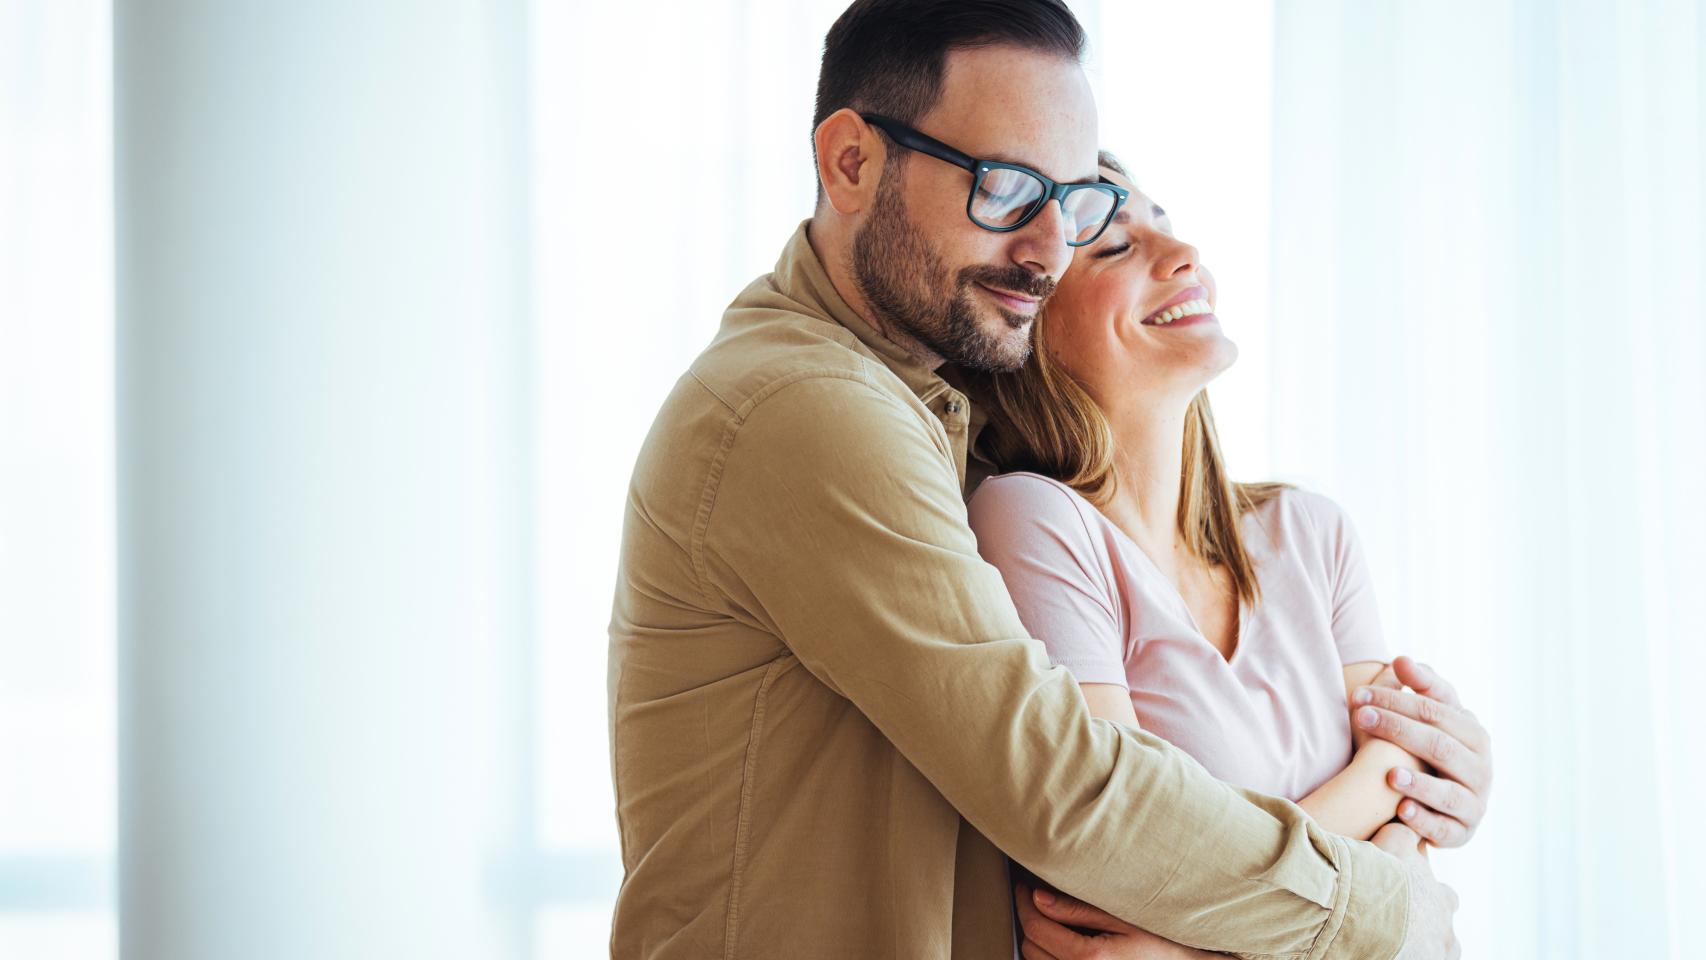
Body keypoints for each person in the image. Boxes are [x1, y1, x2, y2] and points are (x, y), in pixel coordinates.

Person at [606, 1, 1486, 957]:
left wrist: (1436, 767)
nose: (1049, 251)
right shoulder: (810, 408)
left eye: (1071, 203)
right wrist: (1385, 908)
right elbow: (1070, 793)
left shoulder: (934, 407)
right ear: (850, 161)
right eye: (1006, 187)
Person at [962, 155, 1494, 959]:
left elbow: (1410, 846)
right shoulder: (1034, 519)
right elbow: (1119, 852)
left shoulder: (1311, 533)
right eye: (1112, 248)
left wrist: (1191, 947)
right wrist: (1365, 843)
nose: (1182, 258)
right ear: (1036, 337)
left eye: (1165, 225)